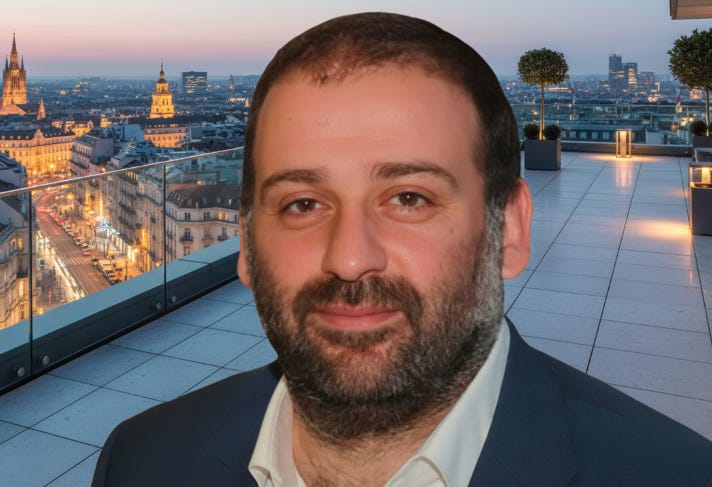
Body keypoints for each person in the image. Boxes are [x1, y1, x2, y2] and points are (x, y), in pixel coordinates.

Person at [93, 12, 712, 486]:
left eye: (409, 198)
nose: (349, 257)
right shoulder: (141, 461)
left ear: (509, 231)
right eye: (302, 204)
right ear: (248, 247)